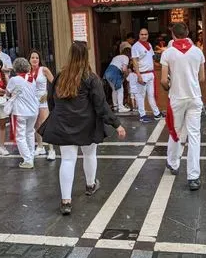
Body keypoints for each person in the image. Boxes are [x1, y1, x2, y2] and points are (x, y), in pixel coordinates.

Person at [38, 41, 126, 216]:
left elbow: (51, 99)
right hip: (86, 123)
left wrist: (57, 114)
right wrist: (117, 124)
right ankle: (90, 184)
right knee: (89, 154)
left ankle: (66, 201)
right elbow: (101, 105)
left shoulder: (61, 75)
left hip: (63, 122)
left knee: (67, 160)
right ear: (86, 56)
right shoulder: (91, 78)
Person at [161, 22, 205, 191]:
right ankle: (193, 176)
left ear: (173, 35)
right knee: (194, 135)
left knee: (175, 131)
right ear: (187, 33)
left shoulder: (168, 53)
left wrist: (169, 86)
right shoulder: (198, 52)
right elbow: (201, 78)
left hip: (177, 98)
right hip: (194, 97)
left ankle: (173, 162)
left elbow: (164, 80)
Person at [6, 58, 39, 169]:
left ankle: (27, 160)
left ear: (16, 68)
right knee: (30, 133)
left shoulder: (14, 79)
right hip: (34, 110)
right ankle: (31, 156)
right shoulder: (31, 78)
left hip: (20, 111)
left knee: (20, 136)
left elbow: (7, 92)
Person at [132, 28, 164, 123]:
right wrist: (138, 75)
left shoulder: (149, 45)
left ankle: (156, 113)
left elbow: (152, 59)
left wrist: (161, 65)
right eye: (142, 34)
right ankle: (142, 115)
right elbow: (134, 61)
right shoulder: (135, 47)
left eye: (145, 34)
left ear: (148, 35)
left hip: (150, 73)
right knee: (141, 96)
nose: (144, 36)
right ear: (139, 35)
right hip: (142, 74)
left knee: (151, 95)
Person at [28, 49, 56, 160]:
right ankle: (40, 146)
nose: (34, 59)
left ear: (39, 60)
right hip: (32, 100)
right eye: (32, 57)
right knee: (36, 125)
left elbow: (54, 83)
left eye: (36, 58)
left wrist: (48, 94)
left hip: (43, 99)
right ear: (29, 60)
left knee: (46, 124)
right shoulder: (27, 71)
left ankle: (51, 150)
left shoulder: (44, 70)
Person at [103, 45, 131, 113]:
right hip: (115, 72)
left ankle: (115, 106)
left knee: (114, 90)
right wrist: (128, 73)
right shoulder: (126, 57)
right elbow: (124, 69)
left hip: (107, 72)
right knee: (120, 89)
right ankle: (121, 107)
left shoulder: (117, 57)